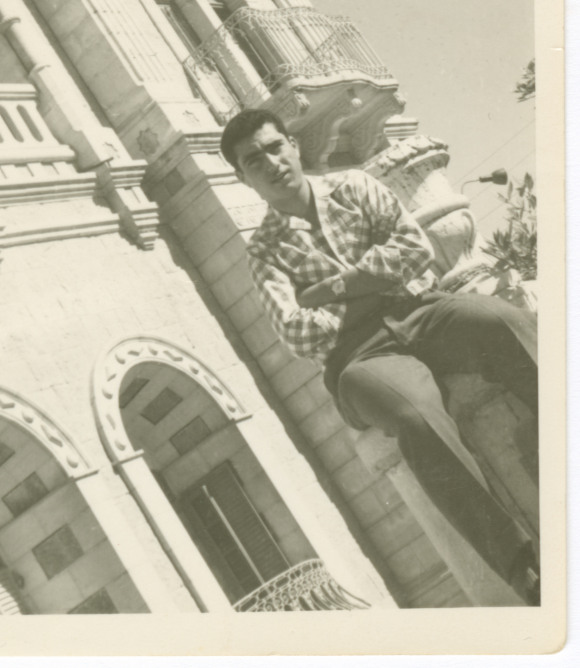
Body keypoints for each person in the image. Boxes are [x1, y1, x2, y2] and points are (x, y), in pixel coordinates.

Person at [220, 108, 540, 605]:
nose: (270, 162)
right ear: (244, 178)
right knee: (415, 415)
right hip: (359, 360)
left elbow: (413, 248)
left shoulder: (352, 186)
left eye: (274, 146)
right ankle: (522, 567)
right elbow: (300, 335)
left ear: (293, 146)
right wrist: (375, 282)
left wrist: (334, 289)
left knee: (502, 322)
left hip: (421, 310)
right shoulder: (263, 251)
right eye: (253, 160)